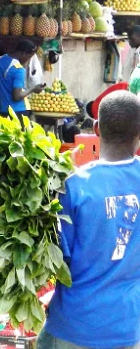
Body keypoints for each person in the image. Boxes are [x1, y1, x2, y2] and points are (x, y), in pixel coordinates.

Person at [40, 90, 140, 348]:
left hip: (75, 324)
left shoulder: (74, 185)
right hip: (126, 325)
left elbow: (59, 259)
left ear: (96, 128)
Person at [0, 39, 44, 118]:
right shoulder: (19, 69)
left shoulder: (0, 60)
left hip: (3, 110)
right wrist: (33, 89)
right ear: (22, 53)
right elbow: (17, 96)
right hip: (18, 111)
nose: (28, 60)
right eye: (28, 56)